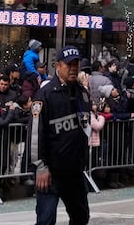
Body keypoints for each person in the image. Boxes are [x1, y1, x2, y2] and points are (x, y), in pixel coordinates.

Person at [31, 46, 91, 225]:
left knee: (81, 217)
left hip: (74, 171)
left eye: (76, 64)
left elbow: (84, 128)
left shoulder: (82, 93)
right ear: (58, 66)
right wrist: (40, 166)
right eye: (68, 64)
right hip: (51, 172)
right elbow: (35, 133)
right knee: (46, 221)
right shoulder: (45, 94)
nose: (73, 68)